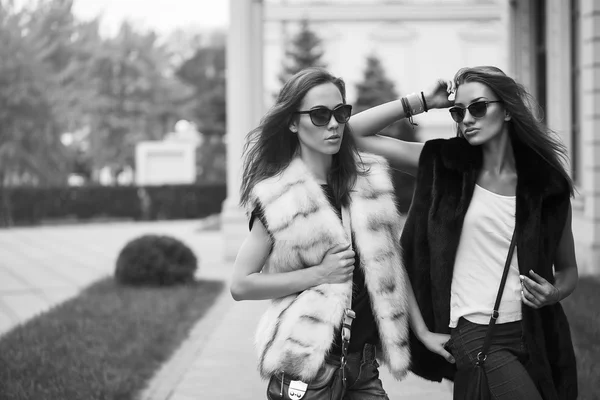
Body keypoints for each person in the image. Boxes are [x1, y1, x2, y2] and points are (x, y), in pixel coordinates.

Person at [349, 65, 578, 400]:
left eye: (479, 108)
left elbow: (569, 270)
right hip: (475, 333)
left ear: (509, 111)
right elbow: (353, 132)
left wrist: (554, 293)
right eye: (459, 111)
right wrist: (424, 101)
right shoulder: (443, 163)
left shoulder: (546, 184)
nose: (466, 118)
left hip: (536, 334)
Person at [230, 67, 453, 399]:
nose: (333, 123)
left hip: (363, 366)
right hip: (306, 366)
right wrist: (319, 274)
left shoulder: (369, 183)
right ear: (293, 122)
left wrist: (421, 331)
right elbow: (241, 284)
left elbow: (391, 265)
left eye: (340, 112)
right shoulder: (280, 197)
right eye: (319, 115)